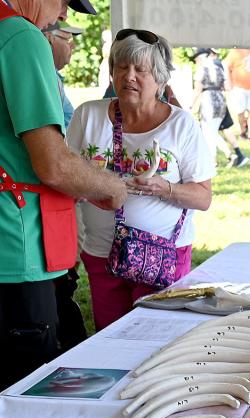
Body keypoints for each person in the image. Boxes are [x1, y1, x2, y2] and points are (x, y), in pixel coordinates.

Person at [0, 0, 126, 388]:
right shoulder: (20, 36)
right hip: (18, 246)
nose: (62, 16)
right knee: (27, 388)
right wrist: (110, 185)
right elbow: (53, 163)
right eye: (61, 2)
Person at [67, 28, 214, 330]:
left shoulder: (180, 125)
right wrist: (90, 189)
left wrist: (166, 188)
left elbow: (203, 197)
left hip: (162, 258)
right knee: (109, 339)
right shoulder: (88, 116)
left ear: (160, 79)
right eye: (121, 67)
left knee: (156, 342)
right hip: (102, 253)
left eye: (140, 69)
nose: (128, 76)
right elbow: (66, 174)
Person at [43, 20, 90, 352]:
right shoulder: (41, 74)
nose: (72, 46)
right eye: (67, 39)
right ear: (49, 38)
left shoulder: (52, 77)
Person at [190, 48, 248, 168]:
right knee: (213, 131)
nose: (195, 62)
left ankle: (212, 162)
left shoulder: (201, 69)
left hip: (208, 101)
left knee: (208, 134)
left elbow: (197, 90)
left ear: (200, 57)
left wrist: (190, 105)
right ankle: (230, 155)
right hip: (221, 100)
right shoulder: (218, 67)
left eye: (195, 59)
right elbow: (227, 86)